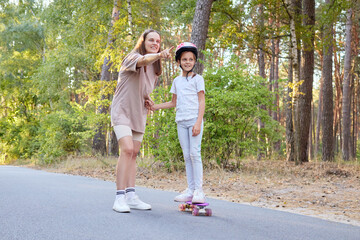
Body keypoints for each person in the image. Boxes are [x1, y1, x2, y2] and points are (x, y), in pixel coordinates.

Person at [111, 29, 173, 213]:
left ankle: (131, 196)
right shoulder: (133, 56)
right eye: (151, 40)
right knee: (127, 149)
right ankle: (119, 197)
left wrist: (149, 99)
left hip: (139, 112)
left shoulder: (155, 70)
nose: (155, 43)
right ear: (143, 42)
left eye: (158, 41)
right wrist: (159, 55)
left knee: (135, 152)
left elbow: (143, 89)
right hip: (122, 110)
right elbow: (143, 61)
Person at [146, 42, 206, 203]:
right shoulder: (176, 81)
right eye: (184, 59)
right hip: (181, 121)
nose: (188, 62)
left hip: (194, 120)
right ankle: (190, 189)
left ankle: (199, 191)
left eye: (191, 59)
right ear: (178, 62)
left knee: (195, 153)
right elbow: (173, 103)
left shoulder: (198, 79)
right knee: (187, 156)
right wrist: (155, 107)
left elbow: (202, 102)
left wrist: (198, 122)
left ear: (194, 61)